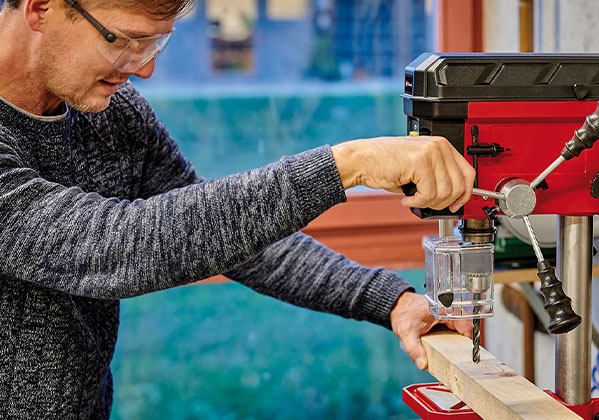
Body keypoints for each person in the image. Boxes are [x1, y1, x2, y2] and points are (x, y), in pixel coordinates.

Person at [0, 0, 476, 417]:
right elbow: (114, 245)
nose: (143, 70)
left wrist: (392, 301)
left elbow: (233, 237)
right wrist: (348, 165)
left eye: (154, 45)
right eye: (124, 40)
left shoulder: (115, 115)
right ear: (41, 8)